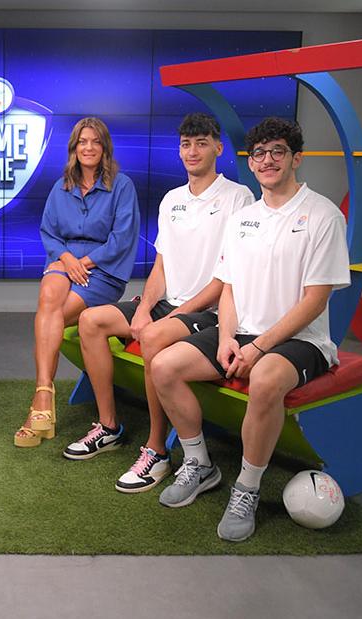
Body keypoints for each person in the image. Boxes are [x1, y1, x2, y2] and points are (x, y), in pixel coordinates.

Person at [150, 117, 350, 541]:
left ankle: (247, 487)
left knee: (264, 379)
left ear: (297, 158)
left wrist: (258, 347)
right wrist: (226, 337)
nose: (267, 160)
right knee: (164, 366)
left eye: (278, 151)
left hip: (301, 340)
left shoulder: (323, 215)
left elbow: (315, 300)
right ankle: (199, 463)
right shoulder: (244, 218)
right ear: (251, 161)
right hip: (240, 332)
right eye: (259, 153)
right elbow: (230, 287)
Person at [67, 114, 254, 496]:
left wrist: (178, 313)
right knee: (90, 321)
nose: (192, 151)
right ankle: (109, 427)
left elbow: (229, 277)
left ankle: (157, 450)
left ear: (218, 148)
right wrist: (143, 307)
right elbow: (162, 265)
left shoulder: (238, 198)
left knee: (152, 336)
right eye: (186, 144)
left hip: (210, 312)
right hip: (167, 303)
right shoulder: (172, 200)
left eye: (201, 143)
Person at [15, 117, 140, 447]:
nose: (89, 147)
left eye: (95, 141)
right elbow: (49, 233)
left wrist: (82, 262)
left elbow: (122, 239)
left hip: (102, 271)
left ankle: (40, 406)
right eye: (83, 141)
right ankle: (44, 394)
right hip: (65, 263)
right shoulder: (61, 187)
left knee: (50, 317)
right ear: (74, 148)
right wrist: (68, 260)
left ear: (104, 147)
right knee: (49, 297)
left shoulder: (122, 186)